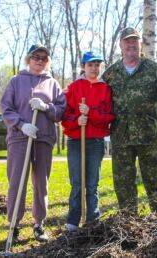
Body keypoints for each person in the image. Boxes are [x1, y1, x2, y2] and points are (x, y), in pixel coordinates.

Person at [102, 27, 157, 215]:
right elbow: (100, 103)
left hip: (149, 136)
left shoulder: (153, 69)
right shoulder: (110, 74)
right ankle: (129, 224)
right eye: (127, 41)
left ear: (140, 44)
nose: (131, 44)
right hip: (121, 138)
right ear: (121, 45)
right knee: (124, 183)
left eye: (134, 41)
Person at [0, 44, 66, 242]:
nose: (40, 61)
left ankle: (39, 224)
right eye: (36, 57)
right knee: (17, 181)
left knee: (41, 183)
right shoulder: (16, 81)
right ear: (29, 59)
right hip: (20, 138)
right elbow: (6, 108)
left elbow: (61, 111)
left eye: (44, 58)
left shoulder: (52, 83)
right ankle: (14, 225)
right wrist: (21, 124)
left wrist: (46, 107)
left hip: (43, 138)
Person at [62, 52, 115, 231]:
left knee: (92, 184)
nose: (94, 68)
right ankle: (73, 221)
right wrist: (77, 120)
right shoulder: (74, 87)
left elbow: (108, 116)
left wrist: (90, 113)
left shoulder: (105, 88)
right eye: (90, 65)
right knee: (77, 183)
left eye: (97, 65)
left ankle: (93, 220)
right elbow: (65, 115)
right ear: (83, 67)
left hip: (95, 141)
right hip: (76, 141)